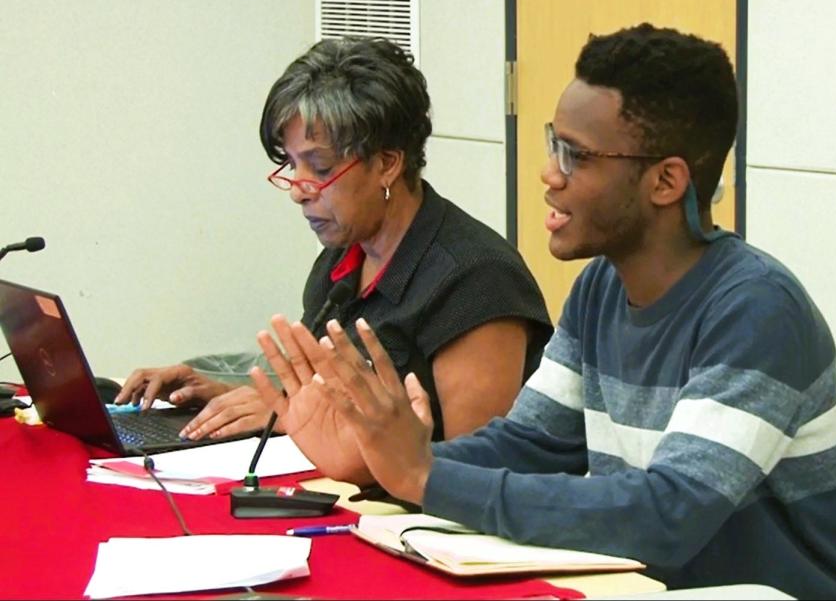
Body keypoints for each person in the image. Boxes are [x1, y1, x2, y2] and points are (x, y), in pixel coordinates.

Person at [253, 24, 836, 598]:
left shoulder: (757, 310)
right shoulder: (599, 289)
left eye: (576, 157)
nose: (548, 175)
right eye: (553, 145)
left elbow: (666, 515)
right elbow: (531, 442)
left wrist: (422, 475)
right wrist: (382, 458)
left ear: (666, 182)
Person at [115, 36, 553, 485]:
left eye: (321, 169)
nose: (298, 189)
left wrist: (297, 424)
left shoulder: (476, 280)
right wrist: (240, 400)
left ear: (387, 164)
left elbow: (472, 477)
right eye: (291, 165)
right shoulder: (341, 259)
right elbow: (324, 404)